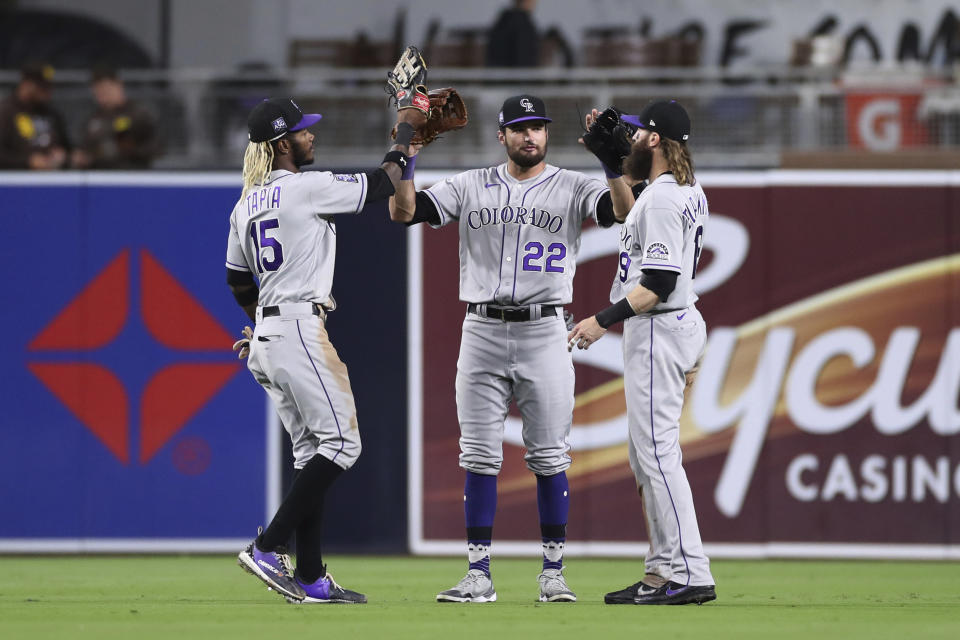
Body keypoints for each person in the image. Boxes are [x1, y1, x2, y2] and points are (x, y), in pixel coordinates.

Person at [389, 95, 638, 603]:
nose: (531, 136)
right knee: (479, 456)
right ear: (501, 135)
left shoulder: (572, 185)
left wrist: (613, 166)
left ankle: (553, 574)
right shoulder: (471, 184)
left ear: (547, 134)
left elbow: (622, 213)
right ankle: (478, 574)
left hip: (544, 331)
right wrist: (406, 154)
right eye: (520, 128)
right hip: (480, 329)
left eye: (538, 127)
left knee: (549, 457)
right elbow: (404, 210)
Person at [226, 96, 423, 604]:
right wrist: (404, 134)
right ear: (280, 143)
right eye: (302, 131)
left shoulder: (245, 203)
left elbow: (236, 280)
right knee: (343, 445)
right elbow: (381, 185)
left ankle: (311, 577)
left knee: (312, 452)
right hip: (297, 329)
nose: (311, 135)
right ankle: (268, 547)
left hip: (269, 338)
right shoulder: (306, 187)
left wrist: (259, 327)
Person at [566, 100, 717, 606]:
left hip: (658, 326)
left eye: (634, 133)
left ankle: (691, 572)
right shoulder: (682, 189)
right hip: (673, 325)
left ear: (655, 140)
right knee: (644, 455)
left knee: (656, 454)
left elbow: (657, 282)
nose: (626, 138)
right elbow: (632, 207)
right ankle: (661, 571)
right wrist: (612, 161)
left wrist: (600, 320)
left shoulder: (664, 201)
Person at [72, 65, 158, 169]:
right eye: (98, 91)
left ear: (118, 85)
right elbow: (82, 148)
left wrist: (130, 150)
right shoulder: (93, 120)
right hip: (100, 178)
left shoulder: (137, 114)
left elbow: (156, 146)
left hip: (133, 175)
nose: (102, 95)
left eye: (106, 89)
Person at [0, 62, 70, 170]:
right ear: (26, 84)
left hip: (52, 180)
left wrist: (63, 155)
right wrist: (27, 162)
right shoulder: (6, 111)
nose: (48, 92)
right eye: (42, 87)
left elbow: (66, 145)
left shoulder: (52, 113)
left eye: (49, 87)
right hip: (14, 182)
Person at [486, 0, 540, 67]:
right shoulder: (522, 23)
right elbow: (523, 56)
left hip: (499, 73)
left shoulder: (503, 21)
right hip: (516, 74)